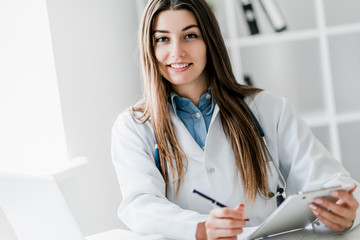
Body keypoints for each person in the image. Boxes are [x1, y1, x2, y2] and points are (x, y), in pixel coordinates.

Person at [111, 0, 360, 239]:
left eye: (190, 35)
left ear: (210, 41)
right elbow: (139, 204)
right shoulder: (134, 126)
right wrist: (199, 228)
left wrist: (344, 212)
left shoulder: (267, 108)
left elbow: (329, 180)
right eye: (162, 39)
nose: (177, 51)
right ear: (150, 48)